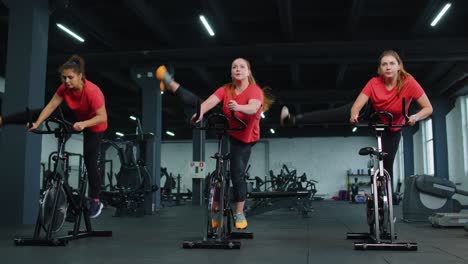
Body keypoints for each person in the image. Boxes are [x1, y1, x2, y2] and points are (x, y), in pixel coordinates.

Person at [156, 58, 274, 230]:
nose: (237, 69)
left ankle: (240, 213)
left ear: (248, 72)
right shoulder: (226, 89)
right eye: (234, 67)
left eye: (242, 67)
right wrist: (201, 113)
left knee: (237, 173)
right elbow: (210, 102)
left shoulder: (254, 91)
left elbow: (253, 108)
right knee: (198, 103)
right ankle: (170, 82)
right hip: (229, 128)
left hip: (246, 138)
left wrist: (238, 107)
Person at [0, 55, 108, 218]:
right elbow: (50, 107)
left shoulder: (93, 92)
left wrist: (85, 124)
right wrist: (37, 123)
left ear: (80, 76)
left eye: (70, 77)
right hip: (76, 117)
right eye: (63, 77)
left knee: (90, 161)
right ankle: (4, 120)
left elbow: (102, 117)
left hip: (94, 126)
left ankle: (95, 200)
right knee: (41, 113)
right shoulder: (63, 89)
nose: (66, 81)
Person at [349, 50, 433, 183]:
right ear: (380, 68)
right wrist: (354, 115)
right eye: (384, 64)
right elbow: (356, 107)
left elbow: (428, 108)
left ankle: (387, 197)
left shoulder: (409, 82)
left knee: (387, 163)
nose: (388, 67)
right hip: (372, 113)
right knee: (334, 113)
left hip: (393, 127)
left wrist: (415, 117)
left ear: (399, 66)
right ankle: (303, 116)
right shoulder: (373, 83)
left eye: (392, 63)